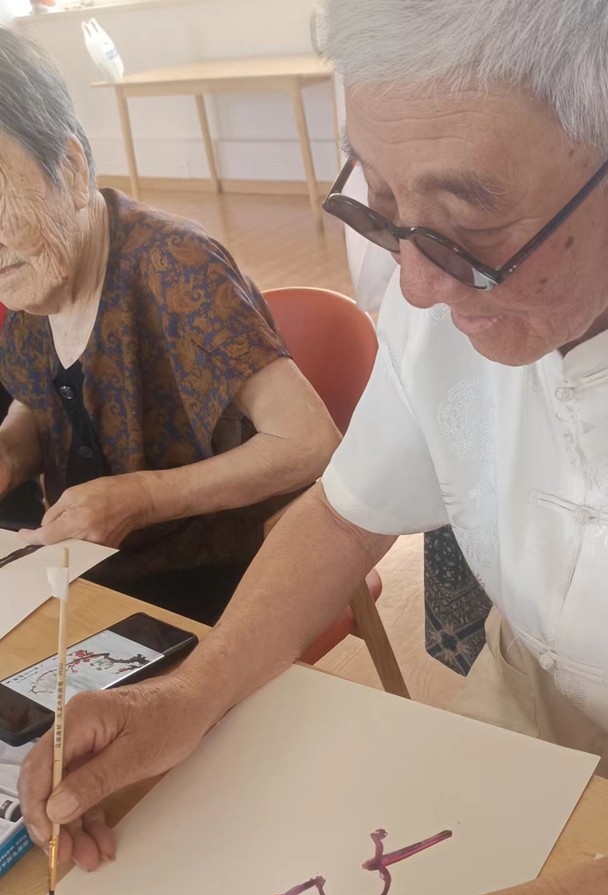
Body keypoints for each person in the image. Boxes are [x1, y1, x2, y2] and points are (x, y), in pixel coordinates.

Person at [19, 0, 608, 895]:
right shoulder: (436, 285)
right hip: (519, 729)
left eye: (467, 220)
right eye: (380, 205)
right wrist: (191, 692)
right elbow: (345, 513)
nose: (418, 287)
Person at [0, 30, 339, 622]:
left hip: (210, 580)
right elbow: (44, 397)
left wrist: (144, 497)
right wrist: (11, 449)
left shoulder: (175, 265)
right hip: (87, 568)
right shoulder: (34, 278)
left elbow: (310, 442)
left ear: (71, 171)